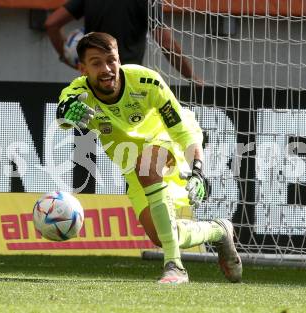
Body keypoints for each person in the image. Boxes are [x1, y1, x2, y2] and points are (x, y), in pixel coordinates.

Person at [56, 32, 242, 284]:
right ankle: (219, 231)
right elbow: (63, 113)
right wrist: (67, 113)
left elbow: (184, 133)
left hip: (169, 144)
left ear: (119, 59)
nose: (107, 69)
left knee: (146, 164)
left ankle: (175, 267)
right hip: (132, 164)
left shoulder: (146, 82)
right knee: (164, 234)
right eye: (96, 62)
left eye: (111, 60)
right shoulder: (79, 92)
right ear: (83, 68)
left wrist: (197, 170)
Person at [45, 0, 201, 83]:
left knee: (87, 140)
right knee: (128, 141)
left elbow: (51, 23)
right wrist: (191, 77)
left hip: (93, 80)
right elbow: (167, 44)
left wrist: (67, 57)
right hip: (126, 83)